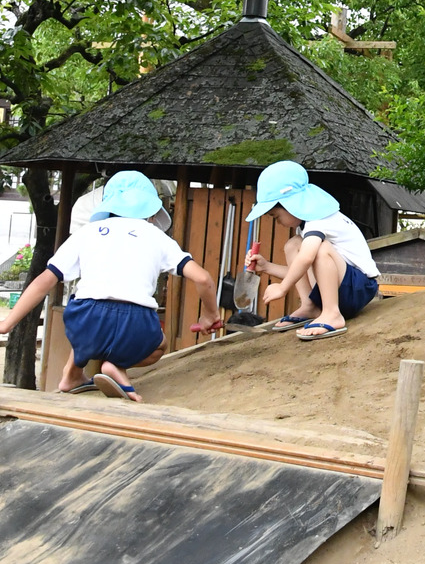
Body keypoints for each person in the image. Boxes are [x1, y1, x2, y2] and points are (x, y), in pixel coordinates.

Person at [0, 169, 220, 400]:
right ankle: (116, 366)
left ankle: (72, 374)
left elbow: (44, 281)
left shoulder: (87, 233)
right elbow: (203, 279)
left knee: (85, 304)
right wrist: (209, 314)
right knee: (159, 346)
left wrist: (7, 323)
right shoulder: (157, 237)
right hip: (137, 325)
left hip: (85, 323)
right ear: (150, 211)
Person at [246, 159, 379, 341]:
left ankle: (332, 313)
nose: (278, 222)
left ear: (290, 204)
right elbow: (304, 271)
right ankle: (310, 306)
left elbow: (307, 258)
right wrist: (266, 267)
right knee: (293, 245)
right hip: (343, 286)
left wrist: (283, 288)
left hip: (359, 288)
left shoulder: (319, 221)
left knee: (319, 249)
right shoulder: (307, 226)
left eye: (276, 216)